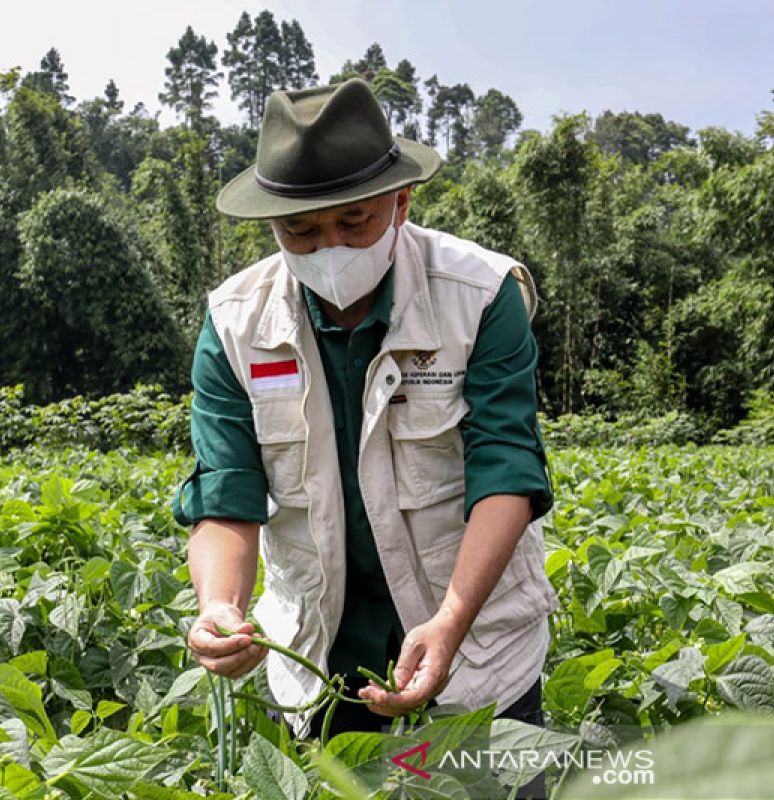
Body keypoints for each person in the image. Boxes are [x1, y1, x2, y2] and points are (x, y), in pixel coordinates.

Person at [170, 78, 559, 796]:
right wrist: (219, 606)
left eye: (353, 222)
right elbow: (226, 490)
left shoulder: (478, 297)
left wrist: (449, 623)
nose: (330, 248)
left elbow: (505, 470)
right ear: (272, 225)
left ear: (401, 202)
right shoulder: (235, 323)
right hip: (325, 661)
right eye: (302, 232)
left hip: (474, 648)